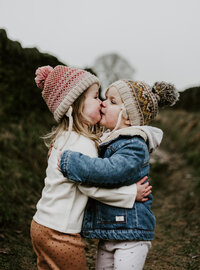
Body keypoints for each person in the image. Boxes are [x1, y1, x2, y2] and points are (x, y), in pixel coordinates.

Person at [31, 66, 151, 270]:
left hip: (40, 224)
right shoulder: (82, 144)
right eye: (95, 97)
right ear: (75, 105)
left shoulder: (65, 136)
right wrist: (131, 194)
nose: (101, 103)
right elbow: (88, 187)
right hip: (61, 232)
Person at [59, 79, 179, 270]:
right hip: (109, 231)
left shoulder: (134, 144)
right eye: (105, 98)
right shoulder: (109, 138)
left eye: (113, 101)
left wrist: (69, 161)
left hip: (131, 233)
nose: (103, 103)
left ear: (129, 117)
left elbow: (110, 171)